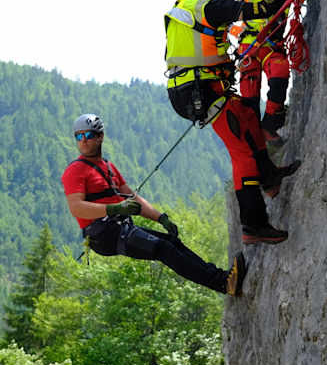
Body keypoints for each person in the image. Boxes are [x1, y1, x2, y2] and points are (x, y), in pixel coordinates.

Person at [164, 0, 300, 245]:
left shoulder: (190, 4)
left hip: (197, 86)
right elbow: (262, 9)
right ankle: (253, 224)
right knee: (242, 153)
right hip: (200, 91)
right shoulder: (210, 7)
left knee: (248, 116)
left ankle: (269, 177)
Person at [62, 113, 247, 296]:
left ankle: (222, 278)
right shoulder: (75, 170)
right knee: (163, 249)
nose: (83, 140)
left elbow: (133, 198)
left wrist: (161, 218)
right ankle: (223, 283)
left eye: (88, 135)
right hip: (103, 234)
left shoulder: (108, 167)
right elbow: (76, 207)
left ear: (100, 136)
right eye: (79, 136)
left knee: (171, 243)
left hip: (119, 228)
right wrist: (114, 209)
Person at [238, 0, 306, 142]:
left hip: (272, 44)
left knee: (280, 74)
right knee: (249, 96)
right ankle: (253, 135)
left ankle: (270, 124)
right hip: (249, 45)